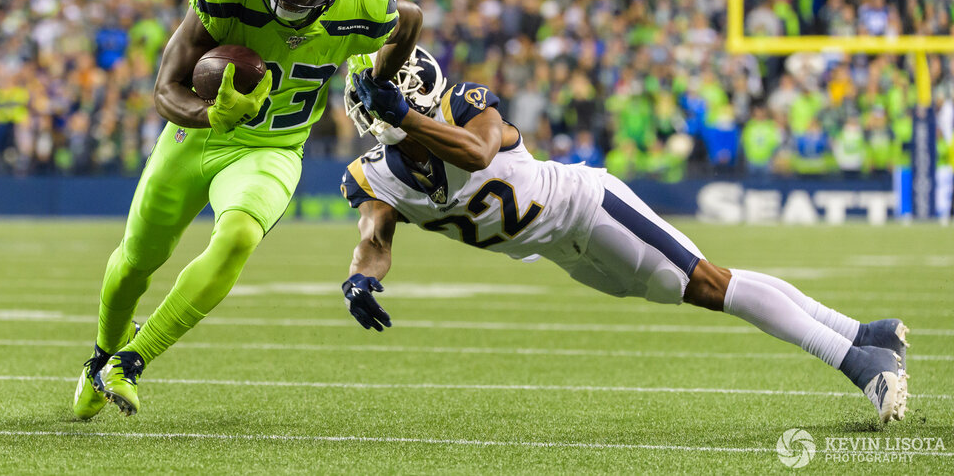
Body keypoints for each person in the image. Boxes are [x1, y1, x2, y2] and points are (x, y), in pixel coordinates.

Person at [339, 47, 909, 424]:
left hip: (589, 206)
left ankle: (862, 365)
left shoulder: (465, 105)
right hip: (561, 252)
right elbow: (375, 239)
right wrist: (358, 280)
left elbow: (479, 151)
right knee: (700, 286)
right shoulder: (374, 176)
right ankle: (869, 333)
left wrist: (412, 120)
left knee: (709, 284)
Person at [72, 0, 421, 418]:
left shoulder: (367, 3)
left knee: (237, 234)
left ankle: (130, 361)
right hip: (196, 140)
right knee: (133, 265)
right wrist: (209, 114)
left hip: (273, 147)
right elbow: (165, 88)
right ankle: (99, 358)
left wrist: (379, 82)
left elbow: (409, 21)